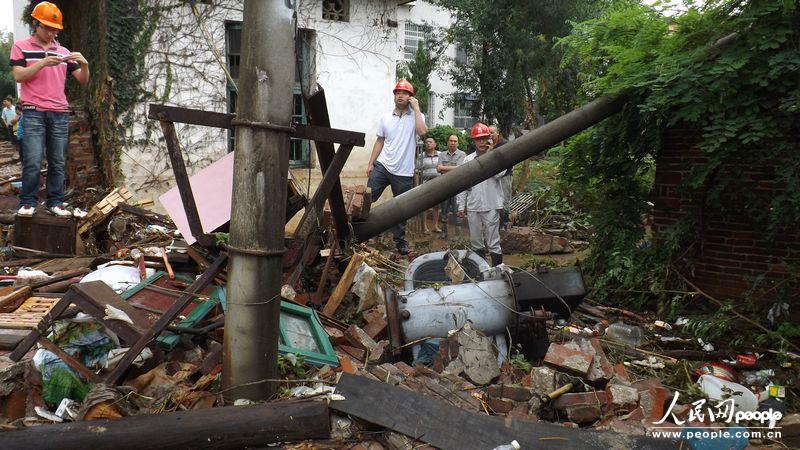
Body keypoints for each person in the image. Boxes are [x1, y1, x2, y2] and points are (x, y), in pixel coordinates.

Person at [10, 2, 90, 217]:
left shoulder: (63, 52)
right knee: (33, 160)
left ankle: (56, 202)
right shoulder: (21, 46)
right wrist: (42, 63)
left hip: (59, 113)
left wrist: (85, 65)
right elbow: (18, 75)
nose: (53, 32)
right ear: (36, 24)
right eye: (48, 27)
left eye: (56, 29)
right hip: (33, 111)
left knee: (57, 161)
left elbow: (82, 80)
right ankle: (28, 202)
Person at [366, 79, 427, 255]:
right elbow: (380, 141)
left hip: (404, 171)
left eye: (405, 93)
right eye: (398, 92)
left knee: (401, 209)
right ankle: (359, 232)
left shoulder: (417, 116)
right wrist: (371, 163)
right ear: (394, 96)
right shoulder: (385, 118)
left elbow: (422, 133)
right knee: (366, 199)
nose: (400, 95)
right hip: (383, 166)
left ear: (410, 97)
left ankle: (400, 241)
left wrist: (416, 109)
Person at [457, 123, 504, 266]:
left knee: (493, 241)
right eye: (479, 139)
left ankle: (497, 271)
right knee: (476, 242)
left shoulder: (496, 156)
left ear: (489, 139)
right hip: (474, 205)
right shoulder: (467, 160)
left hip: (491, 204)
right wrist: (461, 206)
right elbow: (462, 184)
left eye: (484, 138)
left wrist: (490, 156)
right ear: (474, 141)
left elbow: (500, 174)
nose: (482, 142)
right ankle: (481, 272)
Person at [437, 134, 466, 239]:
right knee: (444, 212)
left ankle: (457, 235)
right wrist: (452, 168)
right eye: (451, 141)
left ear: (458, 143)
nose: (453, 143)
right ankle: (444, 232)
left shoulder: (462, 154)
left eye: (455, 141)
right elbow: (438, 169)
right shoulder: (442, 155)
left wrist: (444, 167)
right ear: (447, 142)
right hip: (444, 188)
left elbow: (460, 169)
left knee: (456, 211)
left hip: (457, 188)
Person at [489, 125, 512, 230]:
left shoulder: (504, 144)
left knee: (505, 198)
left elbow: (509, 160)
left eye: (492, 132)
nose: (490, 135)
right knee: (493, 199)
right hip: (491, 176)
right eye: (489, 133)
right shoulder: (486, 145)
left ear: (497, 133)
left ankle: (505, 222)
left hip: (505, 175)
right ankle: (495, 223)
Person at [419, 136, 441, 233]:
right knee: (425, 206)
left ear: (435, 144)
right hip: (425, 185)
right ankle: (424, 227)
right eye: (427, 142)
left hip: (438, 185)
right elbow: (417, 171)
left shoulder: (440, 155)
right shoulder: (421, 156)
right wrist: (418, 185)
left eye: (430, 142)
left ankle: (435, 226)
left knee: (436, 206)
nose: (428, 144)